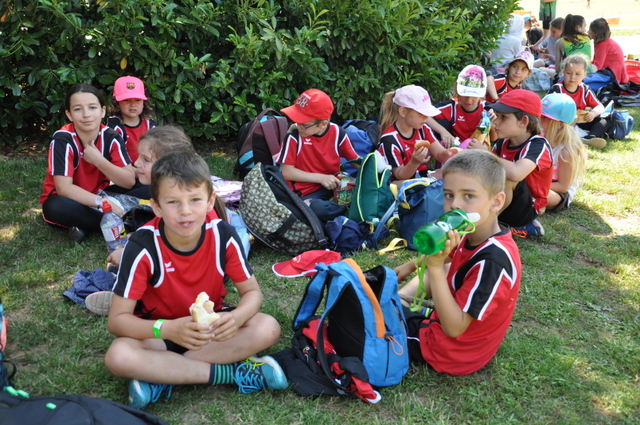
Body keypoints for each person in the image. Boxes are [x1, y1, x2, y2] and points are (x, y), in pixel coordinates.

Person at [104, 151, 287, 410]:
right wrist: (167, 329)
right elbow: (117, 321)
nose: (185, 211)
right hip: (158, 333)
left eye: (195, 199)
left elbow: (252, 294)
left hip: (209, 331)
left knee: (267, 327)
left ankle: (163, 374)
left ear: (210, 201)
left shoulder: (223, 236)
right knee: (118, 356)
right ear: (156, 206)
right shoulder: (143, 246)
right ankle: (231, 373)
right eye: (173, 202)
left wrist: (236, 318)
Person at [395, 149, 521, 376]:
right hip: (460, 335)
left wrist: (433, 268)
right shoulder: (470, 229)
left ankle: (396, 306)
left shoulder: (493, 262)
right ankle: (398, 302)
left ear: (496, 202)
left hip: (449, 352)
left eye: (468, 196)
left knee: (377, 320)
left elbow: (454, 329)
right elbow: (447, 254)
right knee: (444, 265)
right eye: (448, 195)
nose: (455, 204)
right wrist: (410, 266)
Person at [40, 84, 135, 243]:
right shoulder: (63, 140)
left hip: (101, 192)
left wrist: (98, 160)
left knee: (146, 187)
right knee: (54, 207)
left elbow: (129, 181)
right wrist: (104, 203)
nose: (86, 114)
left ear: (102, 111)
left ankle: (85, 225)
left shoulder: (111, 137)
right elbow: (64, 189)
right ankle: (127, 223)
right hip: (71, 200)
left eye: (92, 107)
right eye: (78, 109)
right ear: (69, 114)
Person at [277, 88, 359, 221]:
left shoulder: (338, 133)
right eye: (296, 121)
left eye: (304, 124)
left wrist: (374, 171)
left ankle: (344, 209)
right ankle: (344, 210)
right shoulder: (293, 136)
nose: (298, 126)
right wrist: (321, 178)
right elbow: (287, 172)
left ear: (323, 124)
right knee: (318, 209)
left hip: (333, 187)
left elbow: (355, 161)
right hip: (304, 194)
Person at [489, 89, 553, 238]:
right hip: (501, 200)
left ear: (523, 121)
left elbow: (516, 173)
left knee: (508, 177)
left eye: (503, 117)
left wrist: (485, 154)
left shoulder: (538, 145)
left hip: (526, 209)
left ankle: (489, 226)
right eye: (496, 115)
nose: (496, 121)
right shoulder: (503, 141)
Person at [377, 84, 454, 181]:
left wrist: (449, 153)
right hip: (400, 181)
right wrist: (414, 162)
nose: (426, 117)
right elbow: (399, 175)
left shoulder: (423, 128)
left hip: (420, 175)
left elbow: (439, 154)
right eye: (421, 114)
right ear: (403, 111)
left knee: (451, 174)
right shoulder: (390, 139)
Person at [106, 76, 157, 197]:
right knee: (152, 191)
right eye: (127, 100)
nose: (133, 104)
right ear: (117, 103)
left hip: (147, 173)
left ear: (144, 103)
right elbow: (114, 162)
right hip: (125, 176)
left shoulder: (149, 125)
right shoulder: (114, 127)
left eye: (137, 100)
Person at [548, 53, 609, 148]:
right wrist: (566, 119)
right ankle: (570, 138)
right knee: (555, 126)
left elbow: (599, 106)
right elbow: (547, 110)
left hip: (579, 122)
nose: (572, 77)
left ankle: (591, 137)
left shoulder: (585, 89)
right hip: (562, 123)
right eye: (569, 73)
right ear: (563, 72)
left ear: (584, 75)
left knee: (605, 119)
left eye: (577, 74)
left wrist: (592, 114)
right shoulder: (557, 89)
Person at [540, 93, 587, 212]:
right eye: (538, 115)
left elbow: (563, 186)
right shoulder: (539, 137)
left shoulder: (566, 151)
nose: (539, 120)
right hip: (539, 183)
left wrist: (534, 185)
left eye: (544, 117)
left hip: (558, 193)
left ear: (560, 124)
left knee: (530, 194)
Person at [429, 65, 491, 149]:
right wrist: (443, 131)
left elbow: (494, 138)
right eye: (465, 94)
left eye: (474, 95)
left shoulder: (488, 109)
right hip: (454, 147)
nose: (469, 100)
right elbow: (425, 115)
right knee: (442, 123)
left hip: (476, 149)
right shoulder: (451, 106)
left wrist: (493, 122)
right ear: (458, 92)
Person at [589, 18, 629, 84]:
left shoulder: (603, 44)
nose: (588, 32)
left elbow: (597, 66)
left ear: (595, 32)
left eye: (590, 30)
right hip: (611, 72)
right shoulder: (602, 42)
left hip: (613, 76)